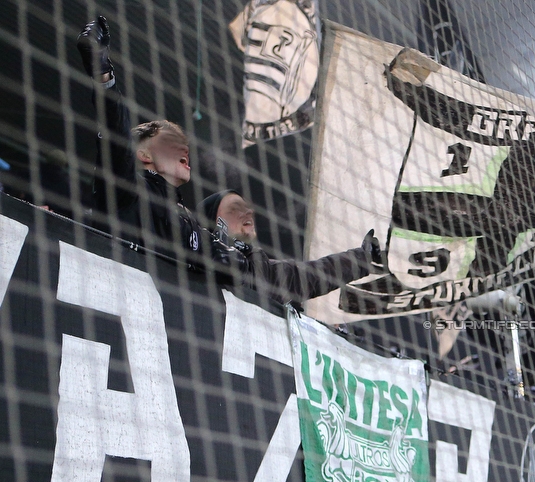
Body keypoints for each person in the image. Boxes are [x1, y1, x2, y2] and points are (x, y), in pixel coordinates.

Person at [77, 16, 381, 303]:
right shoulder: (128, 192)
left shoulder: (202, 235)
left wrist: (360, 260)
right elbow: (115, 138)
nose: (184, 147)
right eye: (170, 139)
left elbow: (290, 279)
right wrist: (103, 74)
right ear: (142, 155)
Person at [198, 189, 382, 304]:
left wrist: (362, 258)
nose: (249, 212)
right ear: (213, 223)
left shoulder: (265, 272)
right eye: (235, 208)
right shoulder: (192, 262)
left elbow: (314, 275)